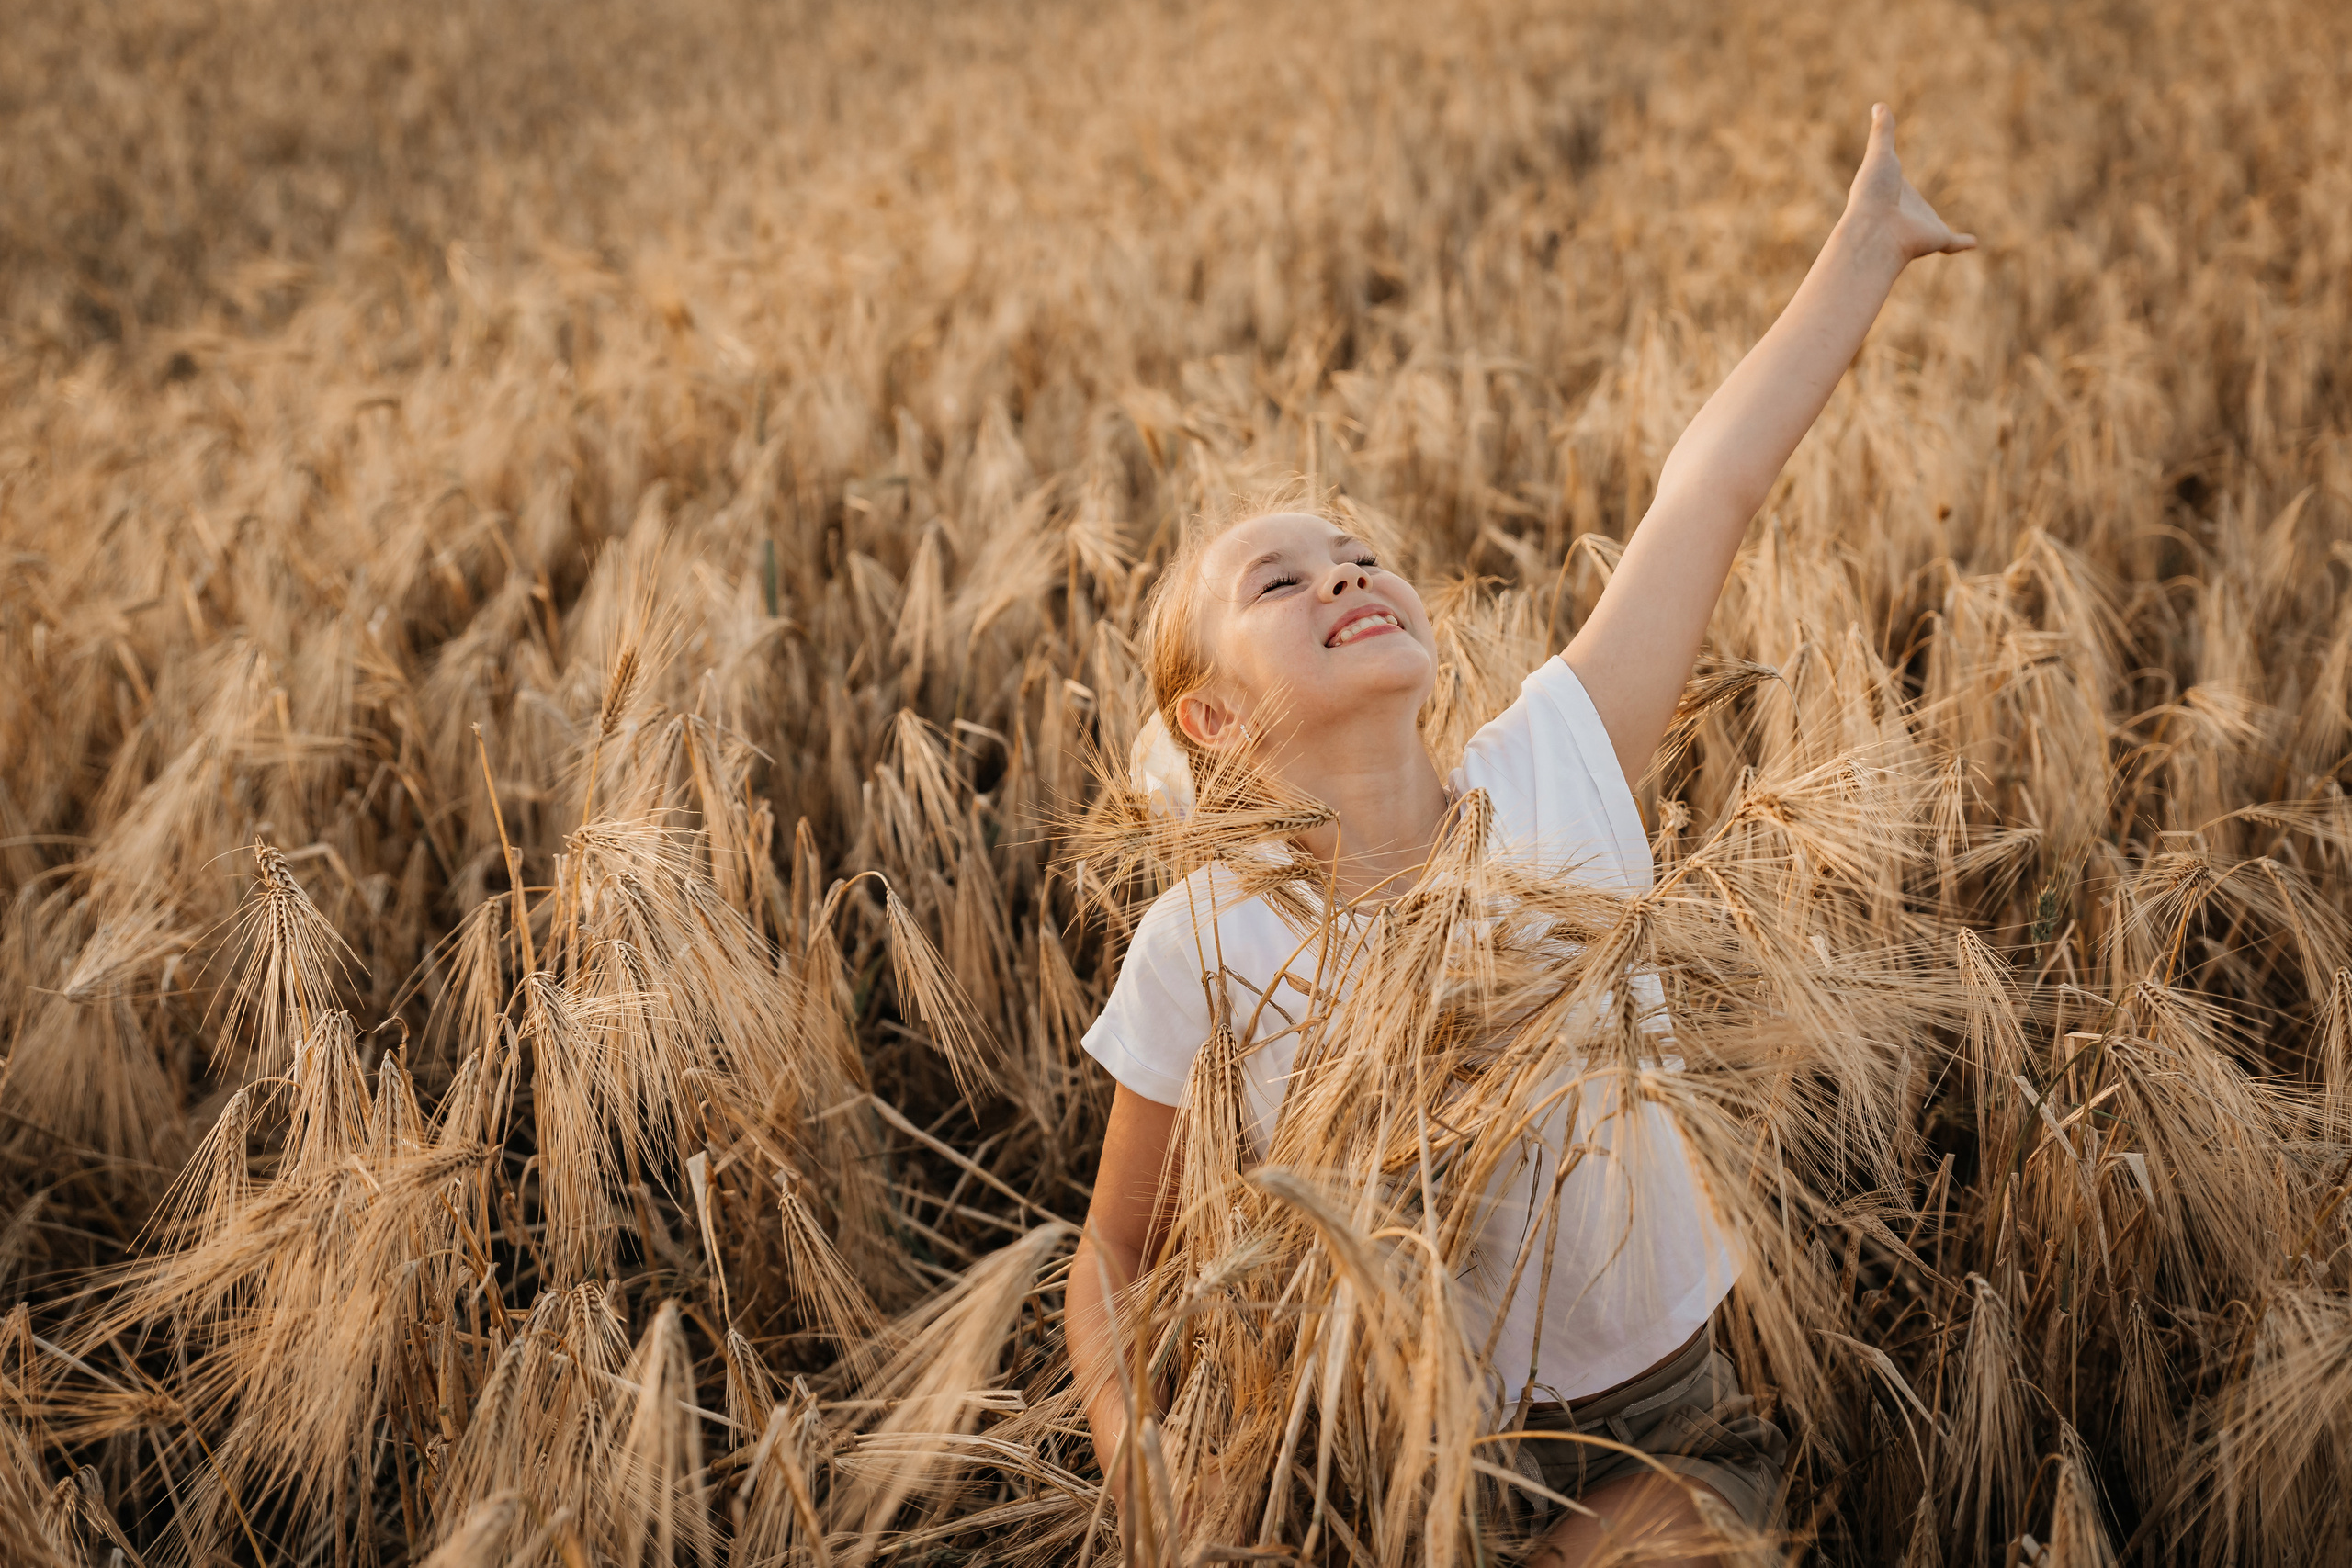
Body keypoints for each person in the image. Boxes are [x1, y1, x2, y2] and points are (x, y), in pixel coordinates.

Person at [1066, 105, 1974, 1566]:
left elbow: (1709, 488)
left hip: (1660, 1431)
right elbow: (1113, 1255)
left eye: (1359, 555)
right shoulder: (1202, 948)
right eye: (1279, 582)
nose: (1345, 575)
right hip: (1371, 1462)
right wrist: (1145, 1461)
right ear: (1215, 725)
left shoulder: (1560, 769)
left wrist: (1864, 246)